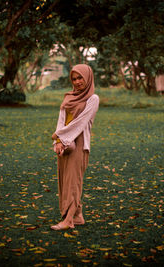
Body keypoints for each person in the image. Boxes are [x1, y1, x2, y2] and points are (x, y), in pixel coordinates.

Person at [50, 64, 99, 230]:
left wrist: (60, 137)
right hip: (64, 143)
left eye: (80, 78)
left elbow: (80, 123)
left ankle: (68, 220)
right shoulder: (68, 97)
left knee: (73, 183)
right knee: (65, 181)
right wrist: (57, 142)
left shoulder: (93, 99)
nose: (77, 82)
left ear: (88, 78)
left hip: (78, 144)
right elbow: (61, 120)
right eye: (74, 78)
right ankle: (78, 216)